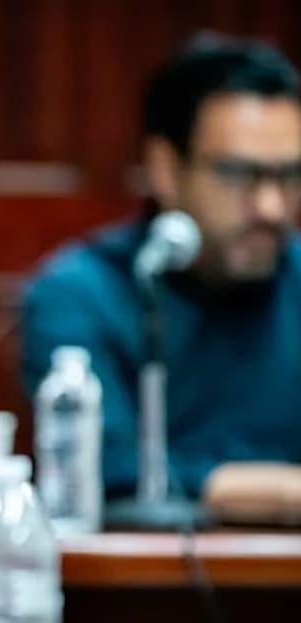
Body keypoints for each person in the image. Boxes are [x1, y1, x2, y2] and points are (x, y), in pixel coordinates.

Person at [21, 33, 301, 523]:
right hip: (139, 590)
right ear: (165, 169)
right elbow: (108, 469)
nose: (271, 207)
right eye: (239, 174)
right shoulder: (81, 294)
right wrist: (282, 492)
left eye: (289, 176)